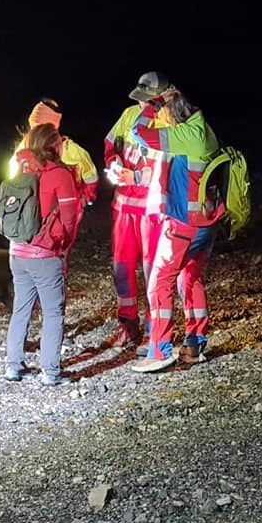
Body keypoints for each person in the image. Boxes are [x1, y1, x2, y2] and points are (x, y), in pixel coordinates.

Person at [125, 87, 225, 372]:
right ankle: (194, 345)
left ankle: (160, 350)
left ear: (170, 111)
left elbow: (138, 133)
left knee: (159, 281)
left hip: (184, 223)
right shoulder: (201, 129)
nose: (160, 119)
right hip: (206, 221)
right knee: (189, 278)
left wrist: (150, 107)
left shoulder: (187, 135)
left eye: (162, 112)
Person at [4, 123, 80, 386]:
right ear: (54, 145)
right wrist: (64, 246)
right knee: (53, 312)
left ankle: (13, 366)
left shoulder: (20, 168)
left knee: (21, 308)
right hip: (45, 254)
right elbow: (70, 219)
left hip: (17, 251)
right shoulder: (60, 174)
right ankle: (51, 372)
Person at [102, 71, 172, 349]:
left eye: (147, 99)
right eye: (140, 98)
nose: (142, 103)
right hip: (123, 207)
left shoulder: (168, 122)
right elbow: (110, 144)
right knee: (121, 268)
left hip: (150, 211)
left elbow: (169, 167)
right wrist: (114, 163)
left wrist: (138, 178)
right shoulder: (129, 114)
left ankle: (154, 330)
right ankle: (128, 326)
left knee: (152, 270)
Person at [9, 99, 98, 219]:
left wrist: (84, 199)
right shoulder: (22, 150)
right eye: (33, 128)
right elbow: (12, 183)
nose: (35, 136)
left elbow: (91, 178)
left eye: (38, 129)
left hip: (65, 211)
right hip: (33, 213)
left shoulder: (72, 151)